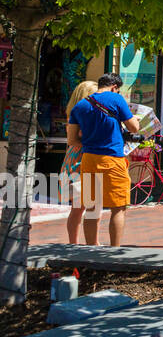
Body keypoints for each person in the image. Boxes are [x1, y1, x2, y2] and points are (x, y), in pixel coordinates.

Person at [69, 73, 141, 247]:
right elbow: (134, 127)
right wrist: (134, 119)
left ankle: (91, 249)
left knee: (92, 207)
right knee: (118, 207)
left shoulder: (79, 106)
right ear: (115, 87)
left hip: (88, 159)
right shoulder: (116, 99)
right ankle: (114, 252)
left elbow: (72, 140)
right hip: (112, 159)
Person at [58, 80, 98, 244]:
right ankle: (88, 243)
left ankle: (75, 243)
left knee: (80, 207)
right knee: (88, 206)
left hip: (76, 159)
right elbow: (74, 139)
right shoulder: (81, 114)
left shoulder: (74, 113)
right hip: (82, 160)